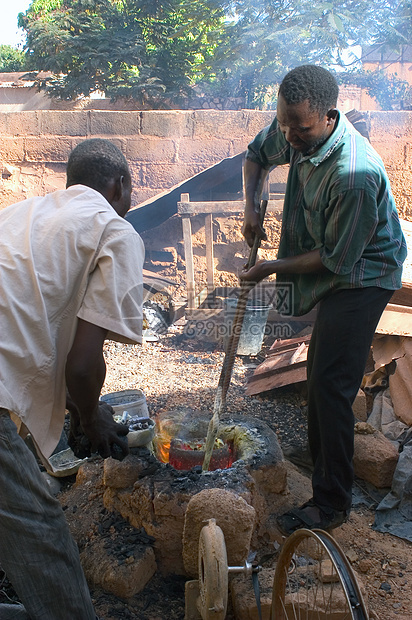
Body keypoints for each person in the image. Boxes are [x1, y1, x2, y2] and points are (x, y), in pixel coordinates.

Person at [240, 65, 407, 536]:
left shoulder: (354, 174)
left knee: (330, 380)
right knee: (320, 366)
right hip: (332, 255)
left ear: (329, 116)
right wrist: (251, 204)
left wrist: (270, 269)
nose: (290, 136)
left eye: (302, 128)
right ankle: (324, 456)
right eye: (285, 124)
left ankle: (331, 503)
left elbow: (336, 260)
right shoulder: (293, 123)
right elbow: (255, 156)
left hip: (364, 271)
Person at [0, 138, 145, 619]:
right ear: (121, 185)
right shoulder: (113, 230)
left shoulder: (20, 214)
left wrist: (75, 406)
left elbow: (27, 329)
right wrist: (91, 419)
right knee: (40, 529)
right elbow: (82, 364)